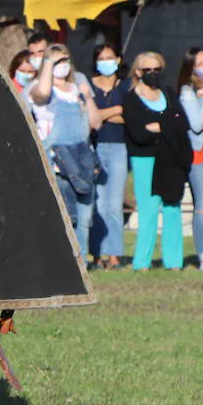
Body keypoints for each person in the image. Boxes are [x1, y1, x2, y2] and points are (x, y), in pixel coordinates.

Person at [28, 43, 103, 260]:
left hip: (83, 159)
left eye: (65, 60)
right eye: (58, 61)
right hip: (57, 162)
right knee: (65, 218)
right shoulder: (41, 88)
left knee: (84, 217)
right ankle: (62, 263)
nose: (63, 66)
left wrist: (87, 98)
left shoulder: (77, 89)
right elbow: (41, 94)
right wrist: (49, 64)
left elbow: (96, 123)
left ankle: (82, 265)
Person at [121, 52, 192, 270]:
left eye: (157, 70)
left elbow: (183, 124)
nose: (152, 74)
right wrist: (167, 125)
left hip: (170, 158)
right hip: (145, 160)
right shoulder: (130, 99)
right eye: (147, 70)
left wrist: (160, 127)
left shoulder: (169, 94)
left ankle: (174, 261)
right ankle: (142, 262)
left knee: (172, 208)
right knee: (149, 209)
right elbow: (138, 134)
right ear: (138, 72)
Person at [88, 44, 130, 269]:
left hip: (118, 147)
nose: (106, 62)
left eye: (110, 57)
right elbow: (88, 116)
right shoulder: (88, 86)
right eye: (101, 58)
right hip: (93, 148)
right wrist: (115, 110)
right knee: (97, 203)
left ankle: (114, 255)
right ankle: (96, 254)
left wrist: (100, 114)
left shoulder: (125, 86)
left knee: (114, 204)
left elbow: (130, 116)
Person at [177, 47, 203, 268]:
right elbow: (196, 124)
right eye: (199, 64)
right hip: (198, 153)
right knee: (202, 204)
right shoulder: (188, 92)